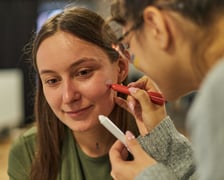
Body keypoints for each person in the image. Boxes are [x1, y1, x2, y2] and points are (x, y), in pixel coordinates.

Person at [7, 6, 138, 180]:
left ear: (121, 68)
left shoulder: (158, 146)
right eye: (52, 81)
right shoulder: (28, 153)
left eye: (83, 72)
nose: (68, 97)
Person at [108, 0, 224, 180]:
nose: (133, 61)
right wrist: (164, 138)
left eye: (128, 44)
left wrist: (147, 176)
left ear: (156, 25)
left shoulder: (218, 94)